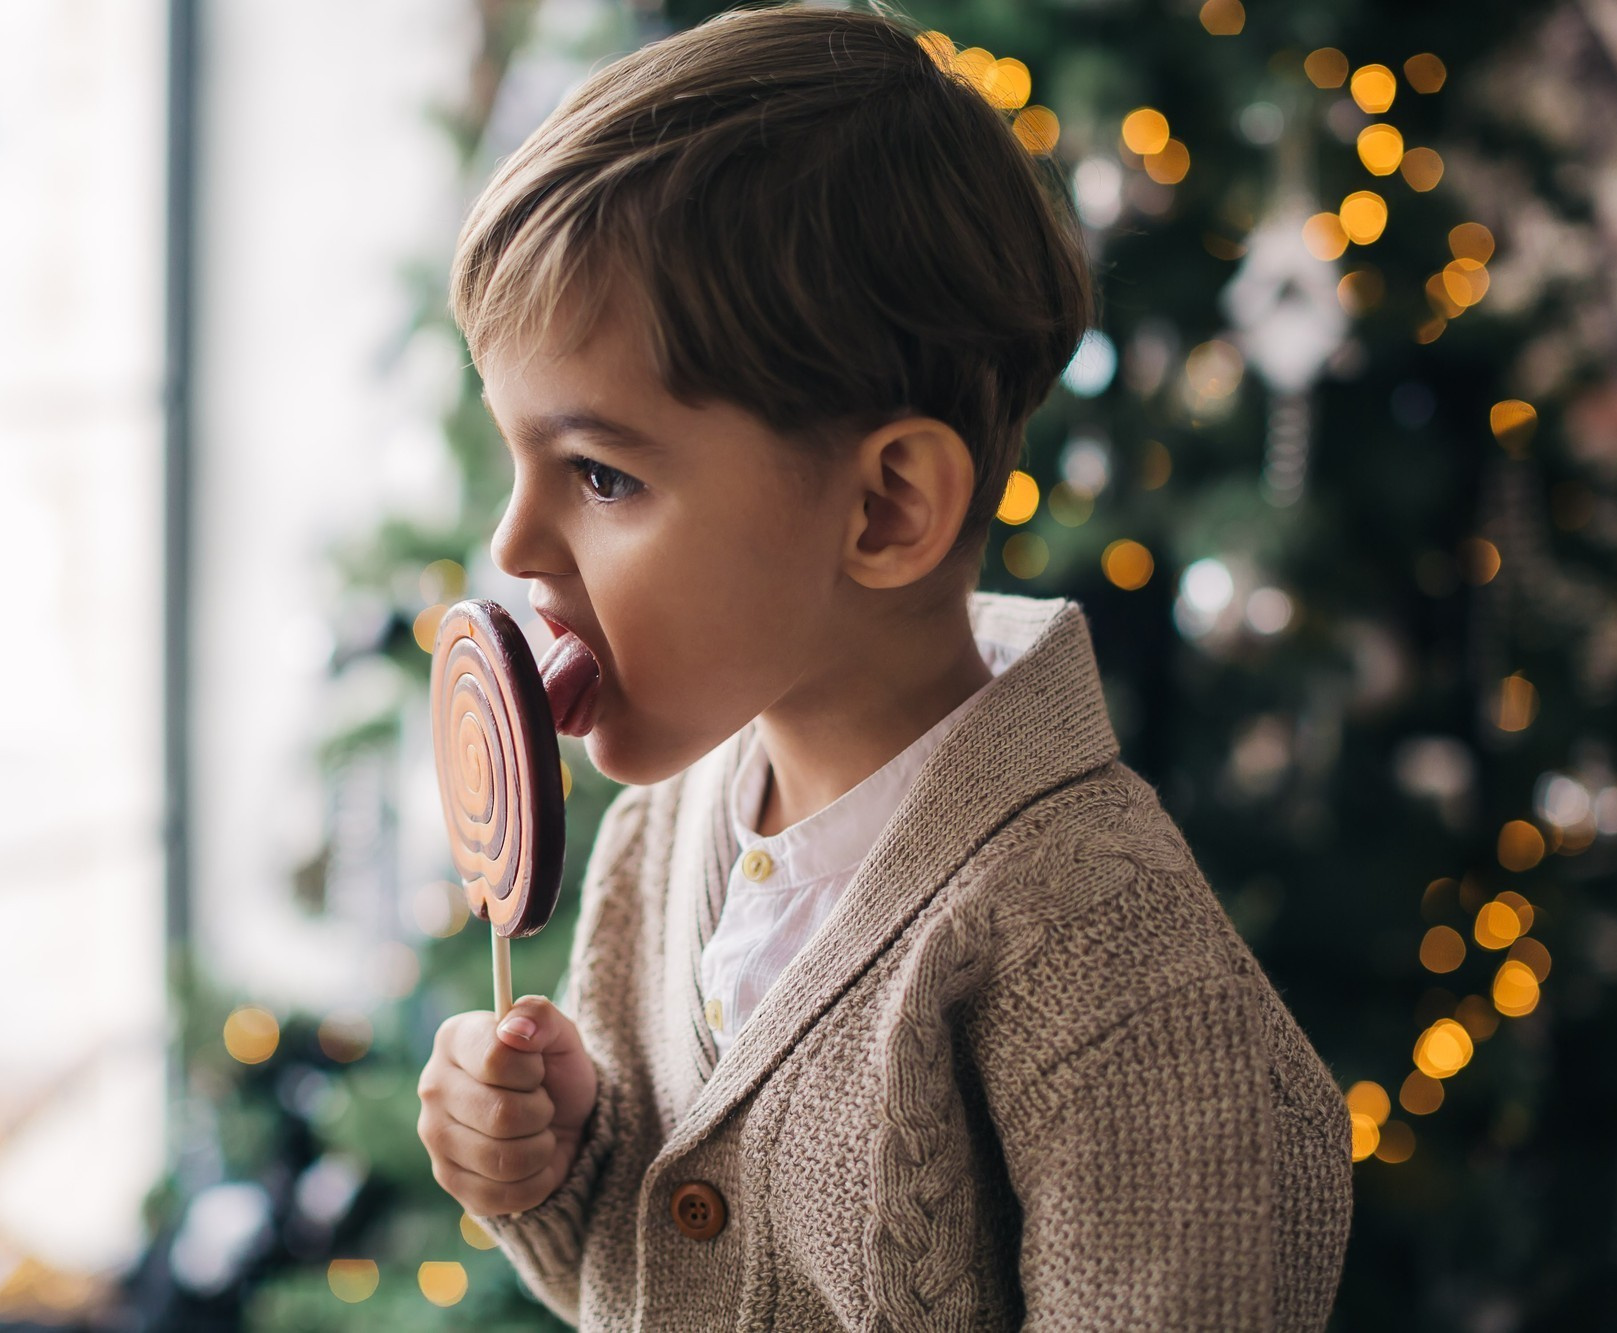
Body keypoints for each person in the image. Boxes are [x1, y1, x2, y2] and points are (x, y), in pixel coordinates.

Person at [415, 6, 1352, 1329]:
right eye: (517, 459)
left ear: (887, 509)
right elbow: (664, 1278)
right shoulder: (656, 846)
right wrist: (559, 1162)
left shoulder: (1114, 972)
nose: (515, 545)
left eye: (603, 474)